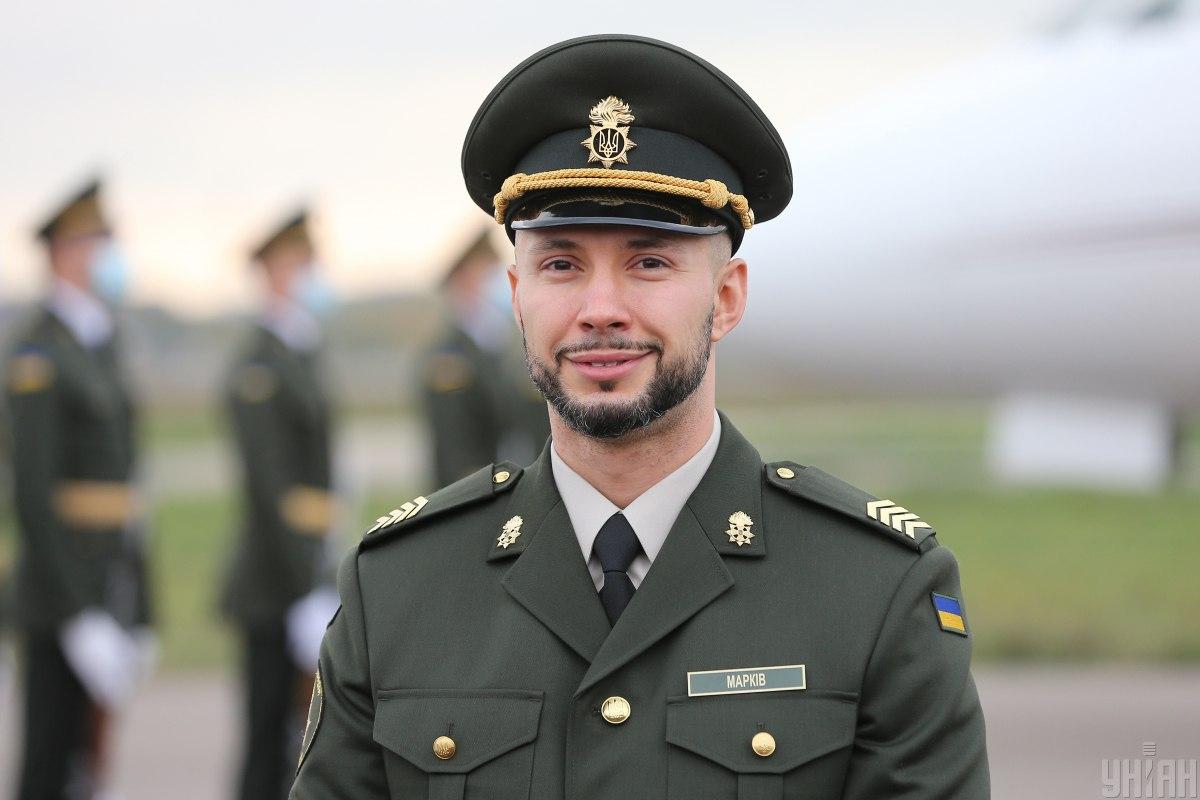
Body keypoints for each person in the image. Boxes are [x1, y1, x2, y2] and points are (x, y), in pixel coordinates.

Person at [292, 34, 989, 799]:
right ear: (518, 296)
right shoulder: (398, 589)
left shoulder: (874, 590)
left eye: (649, 262)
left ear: (727, 297)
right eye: (561, 264)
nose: (600, 309)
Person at [4, 177, 155, 800]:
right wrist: (74, 614)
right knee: (47, 764)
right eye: (96, 242)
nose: (107, 256)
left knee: (89, 769)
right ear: (63, 253)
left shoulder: (103, 341)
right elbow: (33, 496)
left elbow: (128, 489)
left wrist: (142, 605)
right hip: (58, 594)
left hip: (107, 580)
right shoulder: (38, 351)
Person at [221, 209, 340, 800]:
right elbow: (269, 490)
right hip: (274, 579)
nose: (309, 274)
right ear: (270, 271)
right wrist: (301, 586)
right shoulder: (259, 363)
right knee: (267, 737)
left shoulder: (300, 350)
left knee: (297, 738)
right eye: (298, 263)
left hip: (305, 564)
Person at [420, 227, 550, 486]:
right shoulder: (449, 359)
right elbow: (455, 448)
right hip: (478, 491)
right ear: (464, 279)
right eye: (487, 272)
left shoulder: (501, 346)